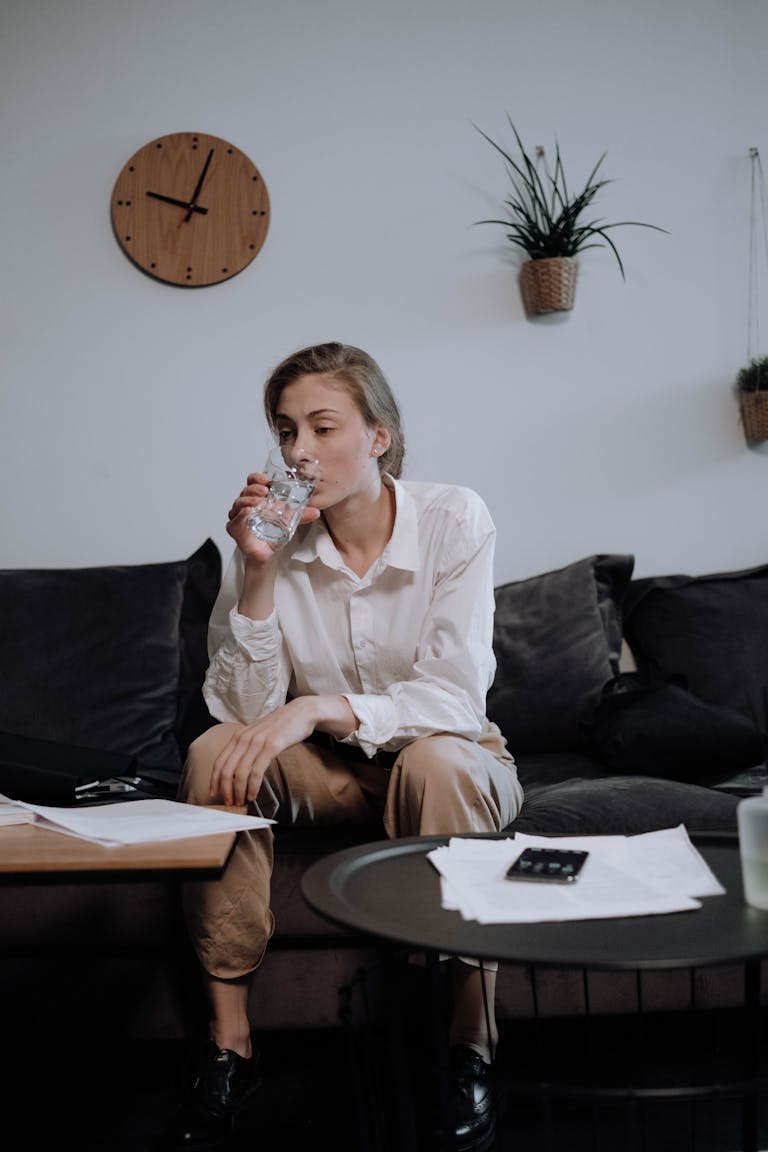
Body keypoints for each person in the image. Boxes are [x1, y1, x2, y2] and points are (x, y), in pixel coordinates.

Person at [170, 341, 523, 1151]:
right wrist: (256, 569)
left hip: (447, 757)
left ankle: (469, 1047)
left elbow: (453, 697)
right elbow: (238, 707)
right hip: (333, 773)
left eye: (323, 427)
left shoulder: (453, 517)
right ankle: (229, 1048)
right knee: (212, 752)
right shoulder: (274, 539)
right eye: (286, 430)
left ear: (379, 436)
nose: (299, 451)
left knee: (436, 758)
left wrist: (320, 707)